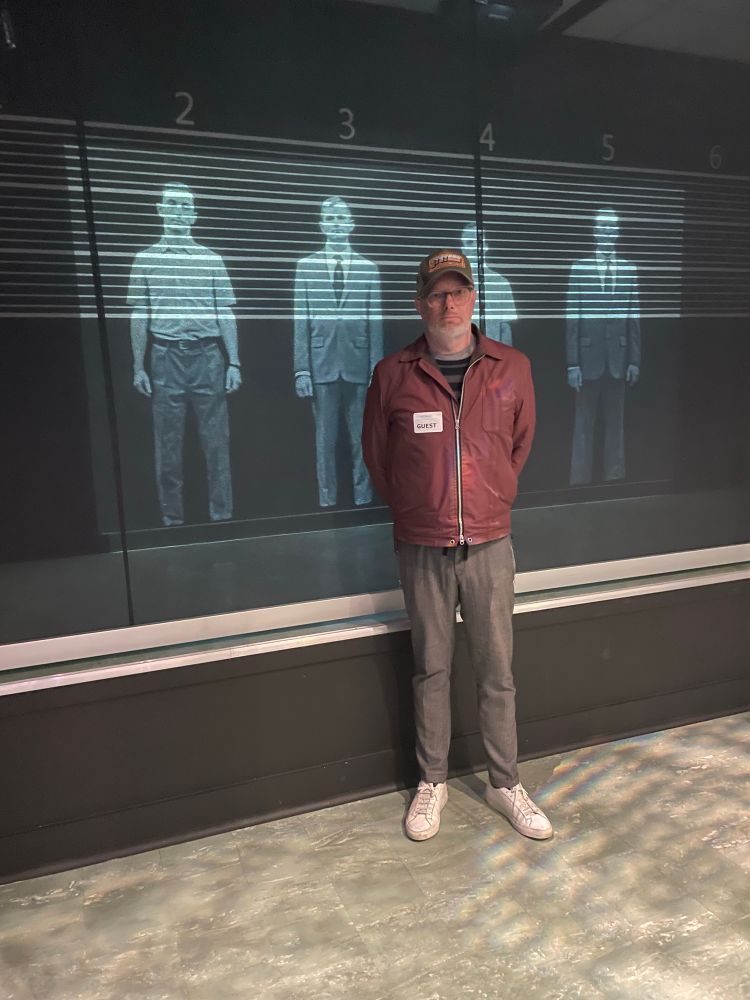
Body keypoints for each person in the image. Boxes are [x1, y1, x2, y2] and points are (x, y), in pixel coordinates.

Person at [362, 249, 552, 843]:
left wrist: (492, 498)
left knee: (497, 670)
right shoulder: (392, 374)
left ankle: (504, 782)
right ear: (420, 302)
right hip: (422, 545)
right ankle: (433, 782)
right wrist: (420, 510)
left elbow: (519, 446)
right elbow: (378, 457)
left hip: (491, 543)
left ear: (474, 299)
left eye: (458, 292)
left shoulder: (511, 367)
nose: (448, 304)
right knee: (431, 668)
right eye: (436, 294)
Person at [128, 182, 241, 527]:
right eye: (172, 204)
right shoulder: (144, 259)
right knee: (167, 445)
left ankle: (222, 517)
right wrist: (139, 366)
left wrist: (234, 361)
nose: (178, 211)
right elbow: (139, 315)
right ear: (160, 209)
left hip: (208, 357)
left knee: (216, 443)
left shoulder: (212, 259)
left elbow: (226, 313)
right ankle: (171, 519)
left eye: (185, 206)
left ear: (194, 215)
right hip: (164, 358)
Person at [294, 196, 383, 507]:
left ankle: (362, 496)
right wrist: (302, 369)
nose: (336, 224)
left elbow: (375, 323)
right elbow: (300, 320)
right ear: (321, 225)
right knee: (325, 440)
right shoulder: (305, 267)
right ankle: (327, 499)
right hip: (321, 365)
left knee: (361, 437)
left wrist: (377, 368)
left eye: (341, 218)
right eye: (329, 219)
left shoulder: (368, 268)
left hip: (359, 364)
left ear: (352, 224)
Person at [566, 206, 641, 485]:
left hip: (619, 362)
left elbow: (634, 319)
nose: (607, 232)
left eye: (612, 227)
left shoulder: (630, 269)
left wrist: (634, 361)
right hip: (586, 363)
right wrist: (572, 364)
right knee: (583, 425)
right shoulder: (579, 269)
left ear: (617, 232)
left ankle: (614, 478)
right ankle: (579, 482)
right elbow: (572, 321)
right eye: (602, 227)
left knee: (615, 425)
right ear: (595, 232)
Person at [461, 221, 517, 345]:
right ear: (463, 249)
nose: (475, 246)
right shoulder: (453, 285)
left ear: (485, 246)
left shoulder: (501, 283)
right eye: (470, 242)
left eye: (479, 241)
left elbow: (505, 328)